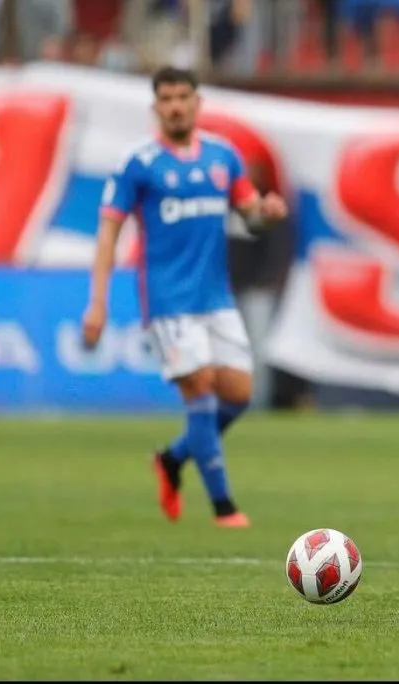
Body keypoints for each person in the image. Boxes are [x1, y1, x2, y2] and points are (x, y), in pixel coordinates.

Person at [81, 66, 288, 528]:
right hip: (168, 299)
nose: (175, 105)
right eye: (167, 98)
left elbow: (250, 213)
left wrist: (266, 214)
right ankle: (224, 508)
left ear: (197, 103)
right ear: (156, 106)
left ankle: (173, 460)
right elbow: (108, 230)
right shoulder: (139, 163)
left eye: (183, 97)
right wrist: (97, 302)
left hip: (216, 296)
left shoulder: (223, 157)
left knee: (238, 395)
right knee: (199, 390)